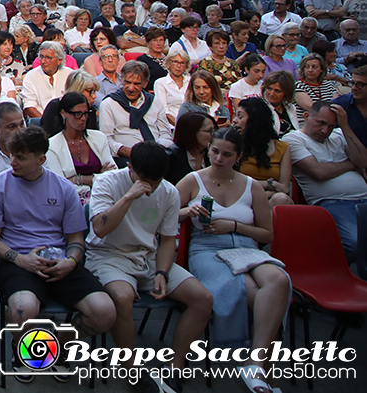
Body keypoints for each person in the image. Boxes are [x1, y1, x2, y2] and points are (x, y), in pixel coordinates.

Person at [0, 126, 116, 378]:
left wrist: (70, 261)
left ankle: (57, 343)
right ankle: (25, 347)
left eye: (21, 157)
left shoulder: (64, 189)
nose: (13, 162)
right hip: (17, 259)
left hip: (59, 260)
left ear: (40, 159)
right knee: (23, 309)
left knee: (105, 312)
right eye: (12, 155)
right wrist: (20, 259)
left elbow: (76, 239)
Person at [87, 141, 214, 390]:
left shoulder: (168, 192)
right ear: (130, 168)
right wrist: (129, 196)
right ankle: (131, 369)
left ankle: (175, 368)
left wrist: (162, 272)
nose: (151, 187)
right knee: (122, 297)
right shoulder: (107, 182)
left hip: (149, 257)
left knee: (203, 298)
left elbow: (168, 239)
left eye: (156, 181)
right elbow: (100, 228)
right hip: (109, 255)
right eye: (145, 180)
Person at [175, 128, 290, 391]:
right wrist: (186, 211)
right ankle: (262, 374)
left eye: (227, 154)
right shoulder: (193, 180)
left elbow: (266, 233)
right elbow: (163, 214)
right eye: (215, 151)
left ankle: (255, 362)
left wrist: (234, 226)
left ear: (237, 157)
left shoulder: (251, 186)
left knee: (279, 281)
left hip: (246, 247)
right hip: (207, 250)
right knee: (258, 295)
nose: (218, 158)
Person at [283, 101, 367, 268]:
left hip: (364, 199)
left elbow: (363, 161)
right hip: (334, 202)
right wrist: (351, 164)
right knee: (355, 243)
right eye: (321, 123)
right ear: (306, 116)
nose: (325, 131)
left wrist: (345, 127)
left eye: (331, 125)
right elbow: (319, 172)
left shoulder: (339, 135)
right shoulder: (293, 139)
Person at [45, 92, 117, 202]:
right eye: (78, 114)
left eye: (86, 113)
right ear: (64, 113)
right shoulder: (52, 145)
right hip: (70, 200)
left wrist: (76, 179)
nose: (83, 118)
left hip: (104, 197)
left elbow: (113, 174)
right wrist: (97, 177)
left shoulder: (99, 138)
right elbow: (59, 184)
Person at [99, 60, 172, 156]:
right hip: (126, 157)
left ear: (145, 84)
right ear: (122, 80)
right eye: (127, 82)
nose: (131, 88)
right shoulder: (109, 104)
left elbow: (166, 134)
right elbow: (106, 139)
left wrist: (156, 150)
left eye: (137, 84)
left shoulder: (155, 102)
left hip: (157, 154)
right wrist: (127, 151)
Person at [232, 98, 294, 208]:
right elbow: (230, 181)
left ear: (254, 120)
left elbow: (284, 188)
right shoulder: (235, 145)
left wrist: (259, 199)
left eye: (240, 116)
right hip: (239, 196)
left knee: (281, 199)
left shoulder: (283, 148)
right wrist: (270, 184)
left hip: (268, 200)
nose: (235, 120)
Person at [20, 41, 72, 121]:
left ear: (59, 61)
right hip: (40, 122)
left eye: (48, 58)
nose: (43, 61)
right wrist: (47, 122)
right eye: (41, 57)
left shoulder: (70, 75)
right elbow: (29, 107)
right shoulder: (31, 76)